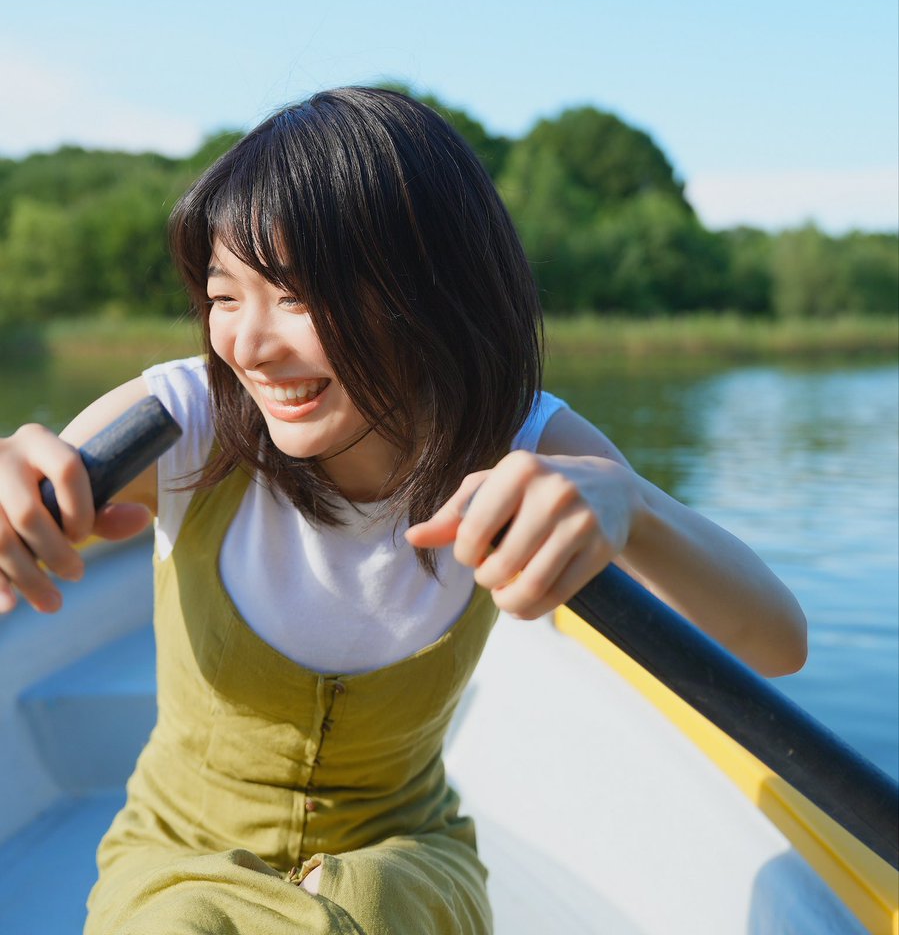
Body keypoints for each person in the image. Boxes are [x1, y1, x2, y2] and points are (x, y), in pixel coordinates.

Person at [0, 87, 807, 934]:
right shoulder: (183, 419)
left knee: (374, 907)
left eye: (296, 296)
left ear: (424, 291)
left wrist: (631, 504)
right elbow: (27, 500)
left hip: (408, 855)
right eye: (225, 295)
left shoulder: (522, 440)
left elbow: (775, 644)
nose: (249, 344)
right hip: (174, 857)